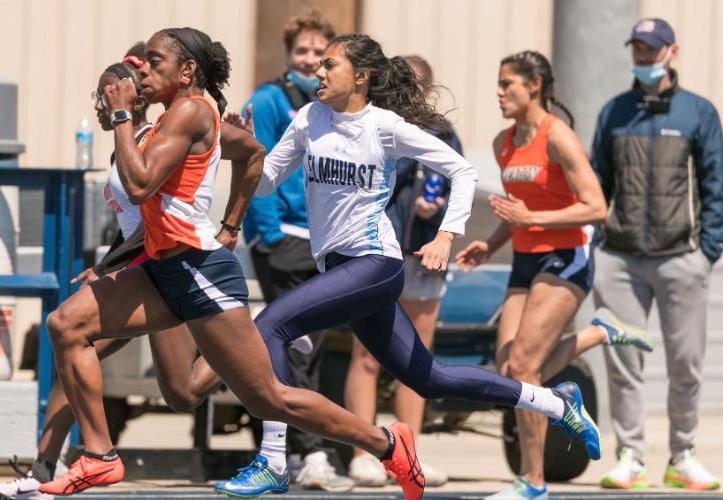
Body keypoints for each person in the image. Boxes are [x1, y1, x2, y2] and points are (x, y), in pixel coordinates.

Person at [35, 27, 431, 500]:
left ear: (187, 73)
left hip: (200, 270)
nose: (144, 74)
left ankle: (385, 442)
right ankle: (99, 458)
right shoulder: (170, 119)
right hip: (163, 268)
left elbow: (140, 186)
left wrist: (123, 115)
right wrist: (231, 222)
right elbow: (253, 152)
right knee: (67, 325)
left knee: (269, 398)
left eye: (155, 63)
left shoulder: (189, 112)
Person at [215, 33, 601, 499]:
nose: (318, 71)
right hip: (339, 268)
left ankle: (273, 460)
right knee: (429, 377)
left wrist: (445, 234)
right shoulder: (308, 119)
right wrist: (244, 147)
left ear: (361, 76)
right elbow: (264, 183)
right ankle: (557, 404)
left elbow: (462, 171)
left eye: (330, 64)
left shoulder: (384, 126)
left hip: (375, 264)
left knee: (270, 325)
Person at [0, 46, 222, 500]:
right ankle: (48, 467)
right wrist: (105, 265)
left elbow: (163, 211)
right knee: (71, 345)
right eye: (98, 94)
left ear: (129, 99)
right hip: (137, 269)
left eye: (105, 93)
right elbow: (133, 226)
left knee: (182, 392)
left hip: (162, 269)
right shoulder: (124, 147)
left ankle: (260, 339)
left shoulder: (154, 137)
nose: (98, 102)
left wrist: (231, 224)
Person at [454, 50, 654, 500]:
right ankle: (600, 333)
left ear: (535, 86)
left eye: (508, 84)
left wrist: (533, 219)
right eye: (499, 83)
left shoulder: (557, 136)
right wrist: (490, 244)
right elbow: (518, 211)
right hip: (524, 262)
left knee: (525, 368)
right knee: (511, 374)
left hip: (567, 258)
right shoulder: (502, 142)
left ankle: (534, 481)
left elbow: (597, 208)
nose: (499, 92)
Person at [592, 18, 723, 491]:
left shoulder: (698, 113)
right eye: (637, 49)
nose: (643, 58)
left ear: (672, 51)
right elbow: (596, 184)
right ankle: (630, 456)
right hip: (620, 259)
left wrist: (707, 251)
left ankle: (682, 456)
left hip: (680, 257)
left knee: (685, 363)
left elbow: (714, 186)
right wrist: (597, 245)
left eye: (651, 50)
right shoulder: (614, 112)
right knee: (624, 362)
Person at [239, 10, 354, 493]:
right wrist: (267, 236)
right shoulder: (269, 100)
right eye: (302, 51)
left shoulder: (336, 106)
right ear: (288, 55)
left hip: (327, 242)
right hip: (285, 240)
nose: (311, 61)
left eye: (320, 54)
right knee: (296, 349)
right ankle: (308, 453)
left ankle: (305, 448)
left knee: (320, 348)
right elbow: (255, 165)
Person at [342, 54, 457, 488]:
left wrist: (439, 209)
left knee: (416, 359)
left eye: (418, 85)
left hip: (423, 252)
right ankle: (364, 452)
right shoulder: (370, 125)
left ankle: (411, 455)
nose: (411, 92)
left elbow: (455, 178)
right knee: (367, 356)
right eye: (402, 83)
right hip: (376, 251)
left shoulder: (442, 132)